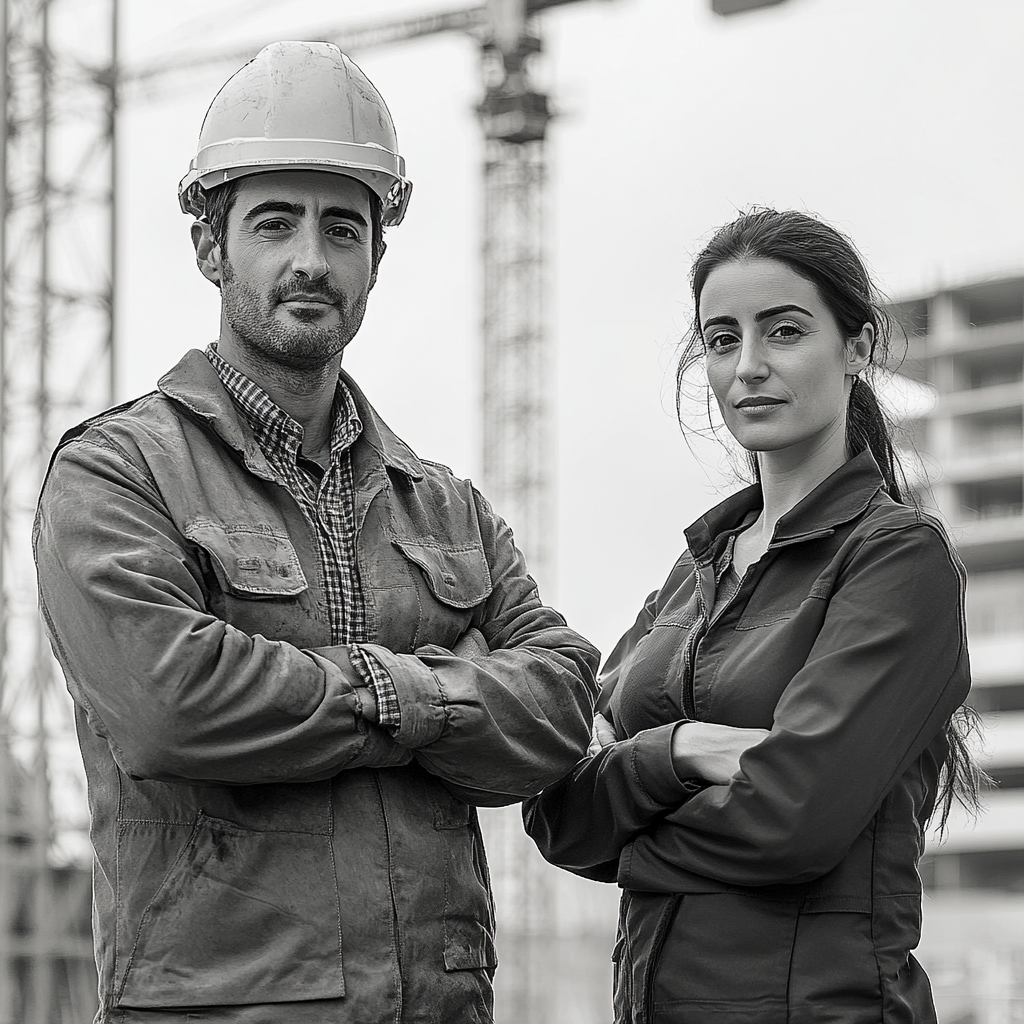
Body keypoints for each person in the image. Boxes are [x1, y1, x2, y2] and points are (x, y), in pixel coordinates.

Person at [33, 41, 598, 1024]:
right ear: (212, 247)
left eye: (343, 227)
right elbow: (173, 705)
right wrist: (433, 689)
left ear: (378, 253)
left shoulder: (445, 506)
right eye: (274, 223)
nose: (311, 258)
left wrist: (306, 689)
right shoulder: (116, 474)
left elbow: (556, 711)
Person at [524, 208, 981, 1024]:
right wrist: (688, 750)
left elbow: (792, 818)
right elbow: (556, 807)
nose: (749, 367)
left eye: (784, 331)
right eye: (723, 339)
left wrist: (622, 829)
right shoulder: (689, 577)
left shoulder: (896, 561)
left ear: (858, 347)